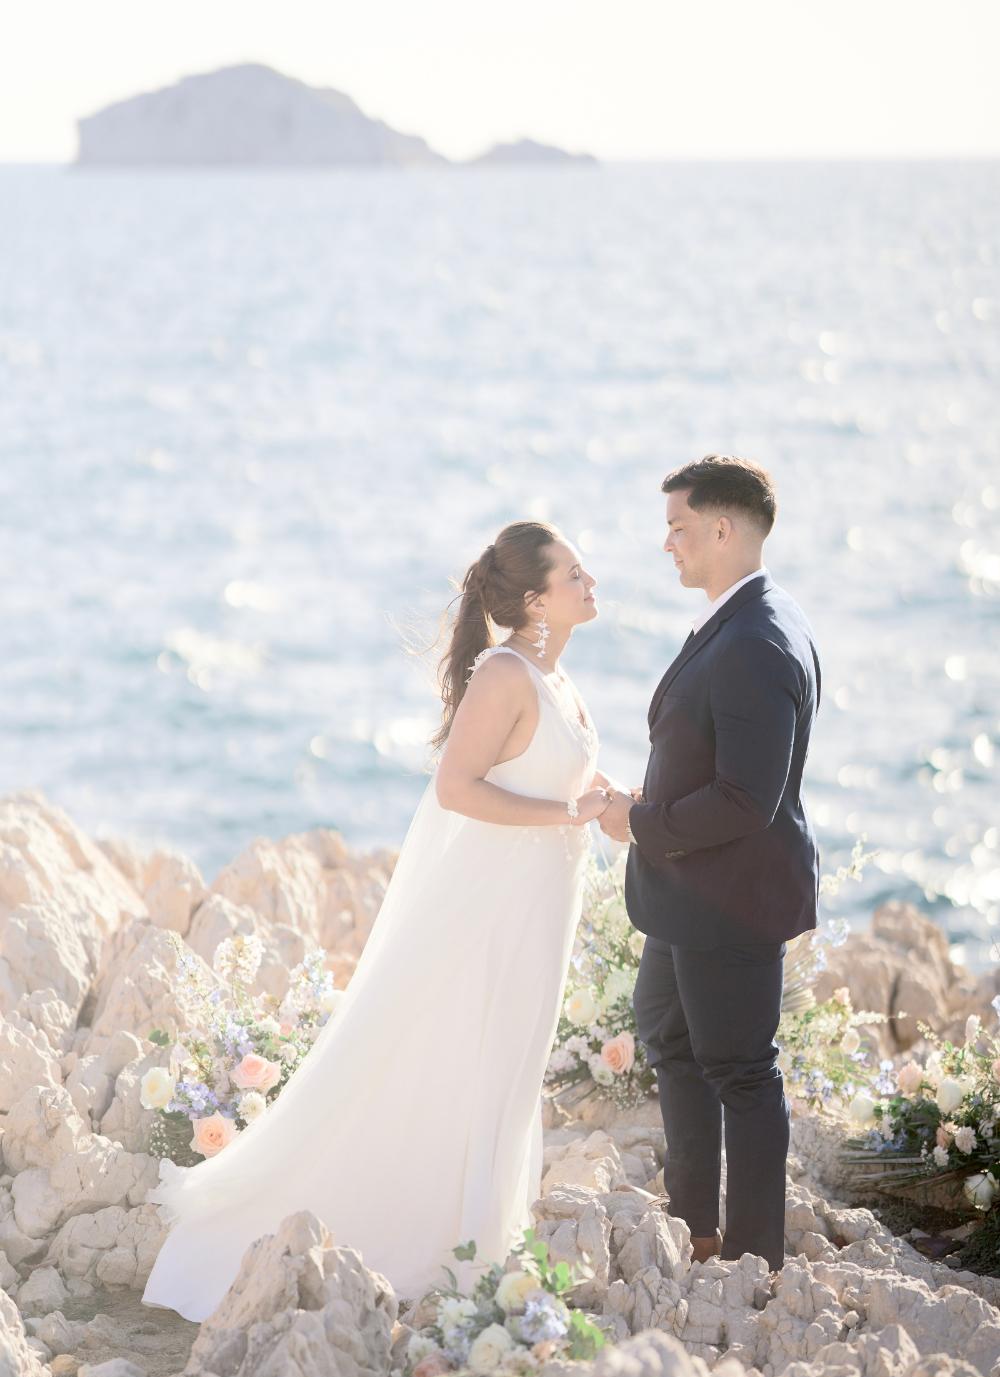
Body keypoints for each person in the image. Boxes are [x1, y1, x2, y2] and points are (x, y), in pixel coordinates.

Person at [141, 520, 615, 1323]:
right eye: (575, 572)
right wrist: (573, 811)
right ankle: (427, 1249)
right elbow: (456, 789)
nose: (591, 580)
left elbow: (560, 779)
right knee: (454, 1063)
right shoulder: (504, 673)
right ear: (534, 599)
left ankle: (484, 1241)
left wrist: (614, 806)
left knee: (509, 1061)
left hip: (540, 906)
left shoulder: (556, 679)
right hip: (491, 909)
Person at [597, 455, 821, 1274]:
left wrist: (639, 821)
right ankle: (693, 1221)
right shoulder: (748, 614)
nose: (668, 545)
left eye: (679, 528)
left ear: (723, 529)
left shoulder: (757, 641)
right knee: (667, 1033)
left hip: (729, 901)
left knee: (742, 1072)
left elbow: (744, 799)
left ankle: (755, 1256)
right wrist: (644, 805)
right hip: (685, 894)